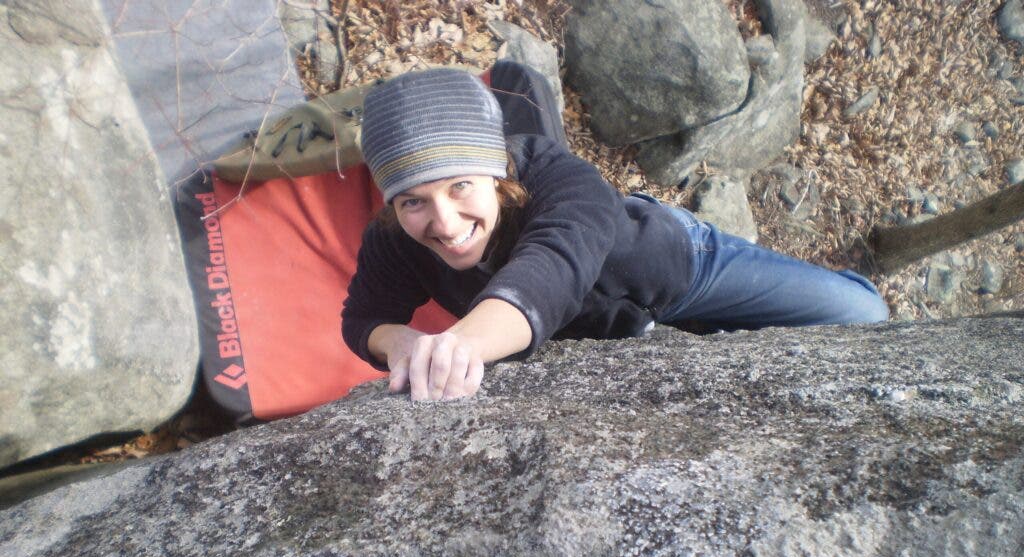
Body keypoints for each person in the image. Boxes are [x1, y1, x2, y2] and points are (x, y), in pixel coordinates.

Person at [342, 67, 889, 402]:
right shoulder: (395, 238)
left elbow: (550, 270)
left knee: (864, 315)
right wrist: (401, 343)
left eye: (459, 185)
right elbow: (362, 319)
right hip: (601, 334)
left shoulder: (560, 179)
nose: (442, 223)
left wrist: (459, 349)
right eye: (413, 200)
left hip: (679, 269)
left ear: (496, 169)